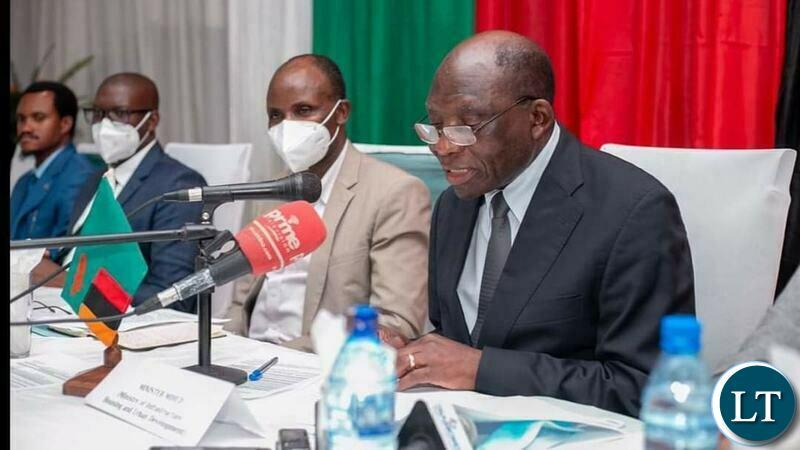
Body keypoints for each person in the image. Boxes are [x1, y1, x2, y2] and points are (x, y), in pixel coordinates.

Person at [395, 31, 695, 417]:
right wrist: (411, 352)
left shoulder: (634, 212)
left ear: (537, 119)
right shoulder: (455, 204)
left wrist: (483, 370)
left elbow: (648, 387)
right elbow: (463, 338)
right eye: (435, 126)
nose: (443, 146)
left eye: (467, 126)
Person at [226, 54, 431, 352]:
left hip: (314, 365)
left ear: (341, 112)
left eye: (303, 110)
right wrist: (221, 348)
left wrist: (281, 356)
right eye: (276, 115)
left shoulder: (394, 193)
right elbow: (239, 303)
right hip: (245, 358)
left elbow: (395, 324)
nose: (287, 126)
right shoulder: (271, 190)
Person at [30, 73, 207, 313]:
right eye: (98, 113)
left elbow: (175, 296)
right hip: (52, 305)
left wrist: (72, 283)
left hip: (117, 322)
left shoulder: (178, 184)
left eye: (120, 113)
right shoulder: (95, 179)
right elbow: (75, 253)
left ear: (152, 120)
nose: (104, 125)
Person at [11, 81, 95, 256]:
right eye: (21, 119)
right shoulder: (24, 181)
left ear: (65, 124)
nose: (25, 128)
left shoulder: (80, 176)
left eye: (38, 117)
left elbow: (66, 251)